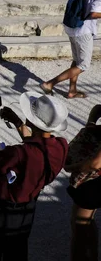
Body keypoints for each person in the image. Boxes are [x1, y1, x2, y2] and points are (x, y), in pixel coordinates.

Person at [0, 92, 69, 261]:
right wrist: (18, 124)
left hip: (1, 210)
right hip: (27, 209)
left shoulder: (18, 153)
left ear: (32, 120)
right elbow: (38, 147)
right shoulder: (61, 146)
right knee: (17, 251)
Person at [41, 0, 101, 98]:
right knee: (84, 65)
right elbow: (93, 12)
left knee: (77, 60)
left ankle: (72, 90)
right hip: (84, 30)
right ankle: (50, 83)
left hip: (73, 26)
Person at [65, 104, 101, 261]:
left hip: (94, 182)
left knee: (79, 226)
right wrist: (90, 123)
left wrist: (72, 167)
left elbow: (95, 164)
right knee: (86, 221)